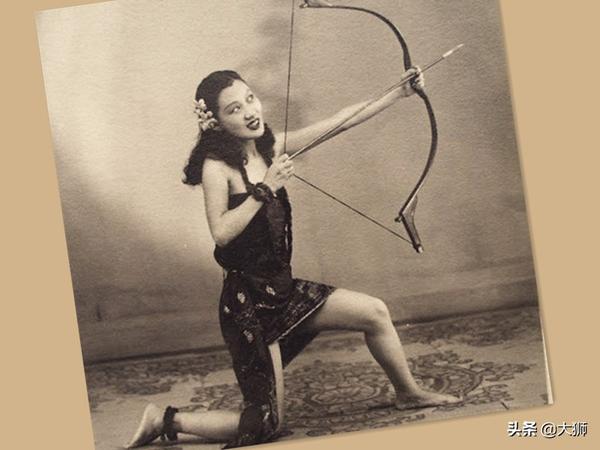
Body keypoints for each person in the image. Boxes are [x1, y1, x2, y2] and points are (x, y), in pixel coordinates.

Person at [125, 68, 460, 449]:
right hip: (249, 308)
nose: (250, 111)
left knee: (374, 313)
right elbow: (221, 232)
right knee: (267, 424)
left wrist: (399, 92)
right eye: (234, 109)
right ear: (215, 122)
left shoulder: (269, 146)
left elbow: (339, 123)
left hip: (283, 292)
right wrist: (266, 187)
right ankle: (165, 420)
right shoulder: (217, 167)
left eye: (250, 99)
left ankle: (409, 393)